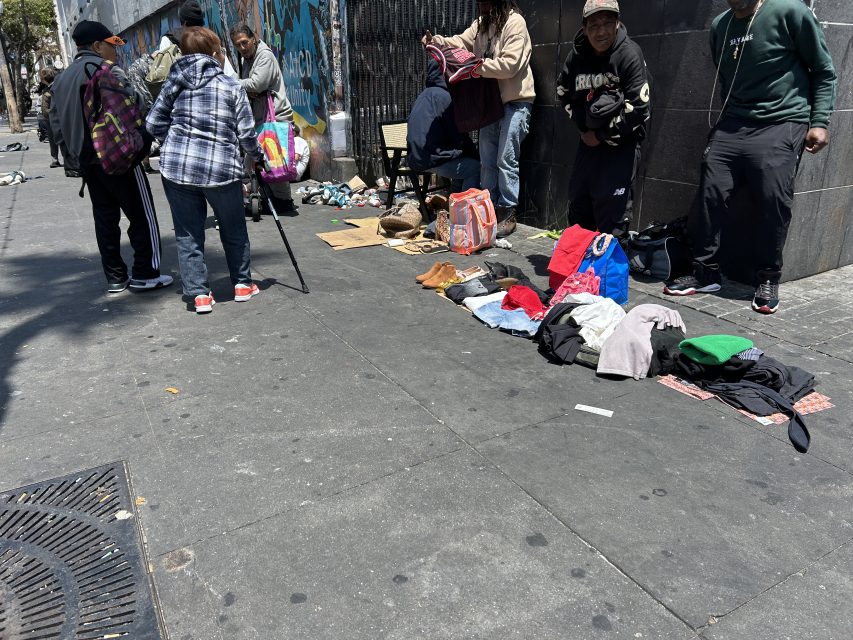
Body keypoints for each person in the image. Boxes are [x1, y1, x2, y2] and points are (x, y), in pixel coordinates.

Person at [664, 0, 837, 315]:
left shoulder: (790, 12)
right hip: (734, 122)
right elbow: (726, 77)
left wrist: (820, 122)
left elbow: (823, 71)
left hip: (783, 120)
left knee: (773, 195)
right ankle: (706, 272)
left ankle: (768, 277)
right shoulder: (721, 26)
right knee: (711, 188)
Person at [146, 27, 264, 314]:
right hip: (220, 168)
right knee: (234, 227)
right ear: (214, 53)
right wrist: (258, 156)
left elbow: (152, 123)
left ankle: (199, 295)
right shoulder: (231, 86)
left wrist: (173, 141)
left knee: (188, 233)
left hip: (177, 168)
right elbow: (246, 134)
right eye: (221, 50)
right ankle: (242, 284)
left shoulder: (175, 82)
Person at [50, 20, 172, 294]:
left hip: (87, 160)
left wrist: (73, 155)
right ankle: (146, 272)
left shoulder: (62, 78)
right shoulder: (105, 70)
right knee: (141, 215)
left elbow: (56, 125)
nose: (115, 52)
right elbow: (136, 104)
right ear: (96, 46)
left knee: (105, 219)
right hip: (118, 156)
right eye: (111, 45)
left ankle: (116, 277)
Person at [424, 0, 535, 237]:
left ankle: (507, 210)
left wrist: (476, 67)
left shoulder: (515, 23)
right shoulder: (481, 25)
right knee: (487, 159)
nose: (483, 5)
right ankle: (489, 208)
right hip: (490, 103)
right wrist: (437, 41)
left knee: (506, 158)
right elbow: (459, 41)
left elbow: (510, 65)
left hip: (515, 101)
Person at [556, 0, 650, 238]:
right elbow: (562, 91)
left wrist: (600, 135)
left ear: (617, 23)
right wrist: (583, 128)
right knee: (579, 210)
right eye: (594, 25)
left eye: (608, 23)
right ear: (584, 28)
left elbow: (640, 109)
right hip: (588, 145)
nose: (601, 31)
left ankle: (610, 262)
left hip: (621, 147)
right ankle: (579, 262)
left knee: (613, 220)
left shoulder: (629, 53)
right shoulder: (576, 56)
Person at [230, 22, 297, 214]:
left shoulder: (264, 56)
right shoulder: (248, 59)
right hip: (260, 118)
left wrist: (235, 83)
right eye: (238, 45)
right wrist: (248, 87)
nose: (242, 48)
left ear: (254, 38)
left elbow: (257, 84)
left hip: (275, 117)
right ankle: (268, 198)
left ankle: (284, 202)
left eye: (245, 42)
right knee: (257, 161)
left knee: (275, 161)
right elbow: (250, 87)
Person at [406, 56, 480, 192]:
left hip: (416, 158)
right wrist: (475, 153)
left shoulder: (423, 96)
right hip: (433, 158)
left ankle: (454, 197)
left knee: (463, 160)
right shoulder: (446, 98)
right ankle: (465, 204)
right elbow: (458, 135)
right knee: (475, 168)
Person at [37, 68, 64, 168]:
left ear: (44, 78)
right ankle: (55, 159)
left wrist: (50, 113)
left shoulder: (54, 87)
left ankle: (66, 160)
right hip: (49, 118)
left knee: (59, 139)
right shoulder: (47, 87)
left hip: (54, 118)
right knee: (53, 140)